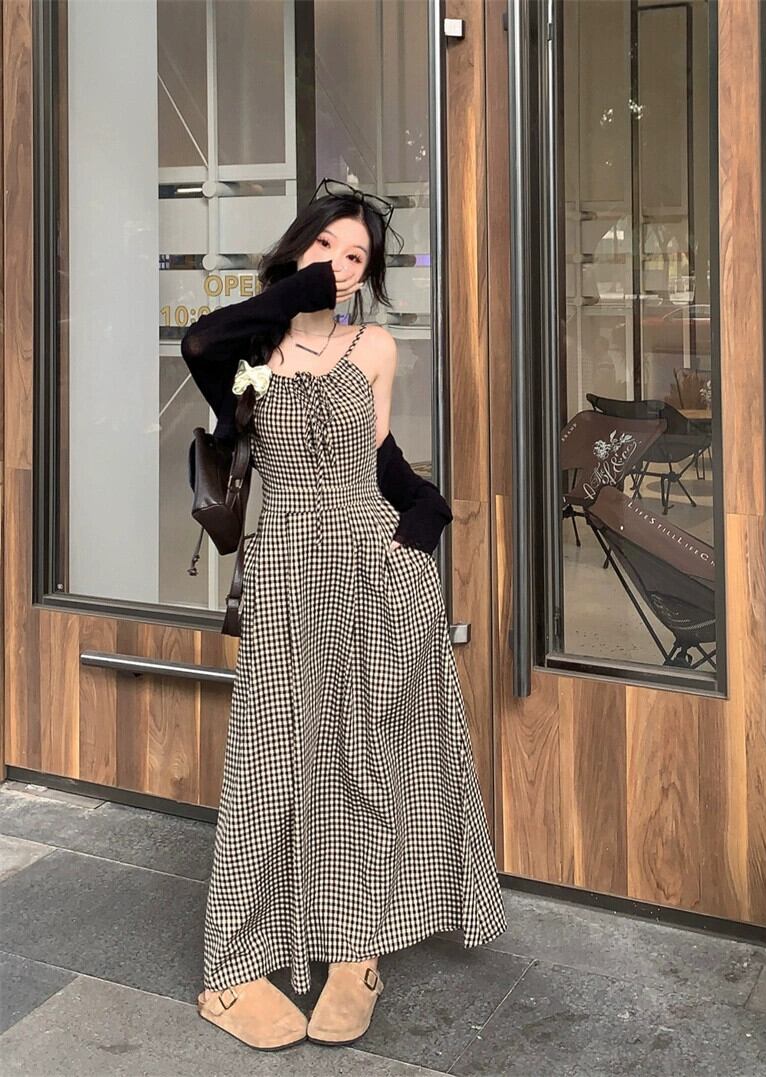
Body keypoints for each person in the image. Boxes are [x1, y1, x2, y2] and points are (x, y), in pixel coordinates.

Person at [181, 178, 507, 1052]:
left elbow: (382, 464)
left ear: (370, 275)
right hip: (286, 570)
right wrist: (297, 290)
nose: (340, 264)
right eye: (325, 245)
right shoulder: (248, 349)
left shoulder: (377, 348)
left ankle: (355, 953)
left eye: (356, 256)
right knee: (267, 763)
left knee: (362, 759)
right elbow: (199, 340)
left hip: (372, 573)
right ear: (298, 249)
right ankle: (232, 965)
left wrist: (418, 534)